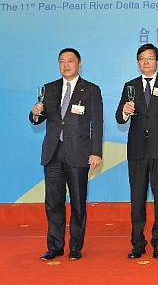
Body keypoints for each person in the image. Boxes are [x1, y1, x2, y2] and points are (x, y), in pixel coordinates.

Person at [29, 47, 103, 261]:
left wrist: (95, 151)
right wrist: (35, 114)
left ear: (79, 64)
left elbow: (97, 124)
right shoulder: (49, 88)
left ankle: (75, 247)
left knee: (78, 202)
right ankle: (55, 246)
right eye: (62, 61)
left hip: (79, 152)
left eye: (70, 61)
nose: (66, 65)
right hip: (53, 152)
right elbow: (41, 118)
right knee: (53, 202)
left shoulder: (90, 90)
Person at [116, 43, 158, 259]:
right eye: (142, 58)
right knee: (137, 199)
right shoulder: (130, 86)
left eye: (150, 58)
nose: (146, 62)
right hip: (137, 150)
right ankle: (137, 242)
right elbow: (119, 117)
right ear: (137, 63)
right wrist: (125, 112)